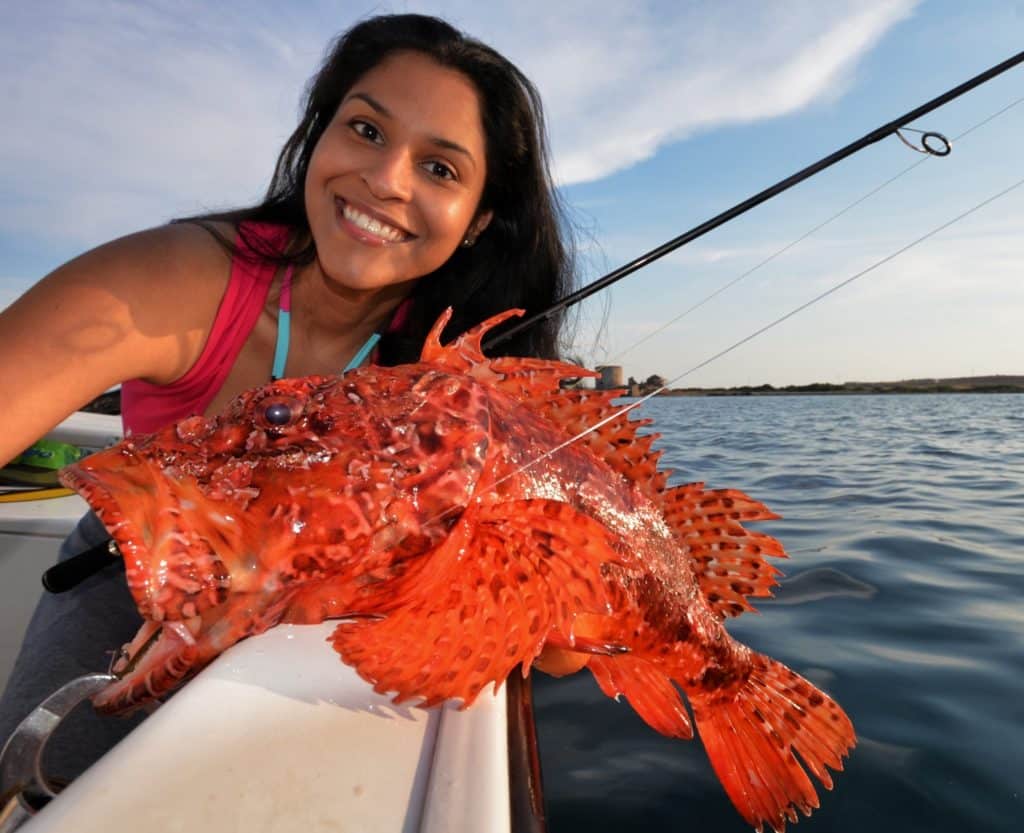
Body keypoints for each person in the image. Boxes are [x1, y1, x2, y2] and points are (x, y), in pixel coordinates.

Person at [0, 13, 575, 781]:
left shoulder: (468, 369)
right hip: (138, 575)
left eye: (441, 169)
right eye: (367, 129)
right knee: (44, 785)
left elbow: (568, 654)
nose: (386, 178)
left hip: (341, 612)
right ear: (318, 135)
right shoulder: (177, 278)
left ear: (479, 222)